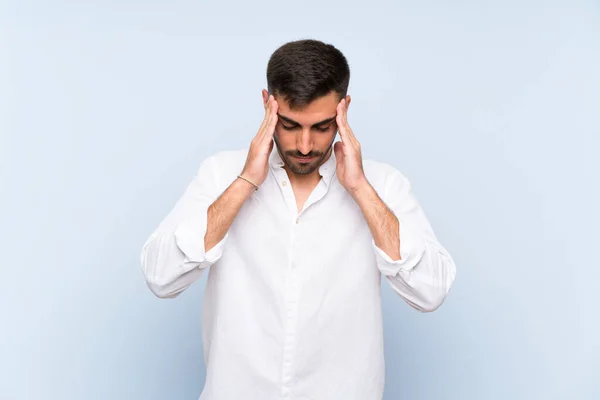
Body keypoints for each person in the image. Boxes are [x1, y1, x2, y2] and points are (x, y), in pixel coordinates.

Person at [140, 39, 457, 400]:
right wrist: (245, 182)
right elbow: (160, 277)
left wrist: (360, 189)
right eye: (290, 125)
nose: (305, 146)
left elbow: (431, 291)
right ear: (267, 105)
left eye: (321, 127)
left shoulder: (383, 184)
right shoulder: (220, 174)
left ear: (344, 109)